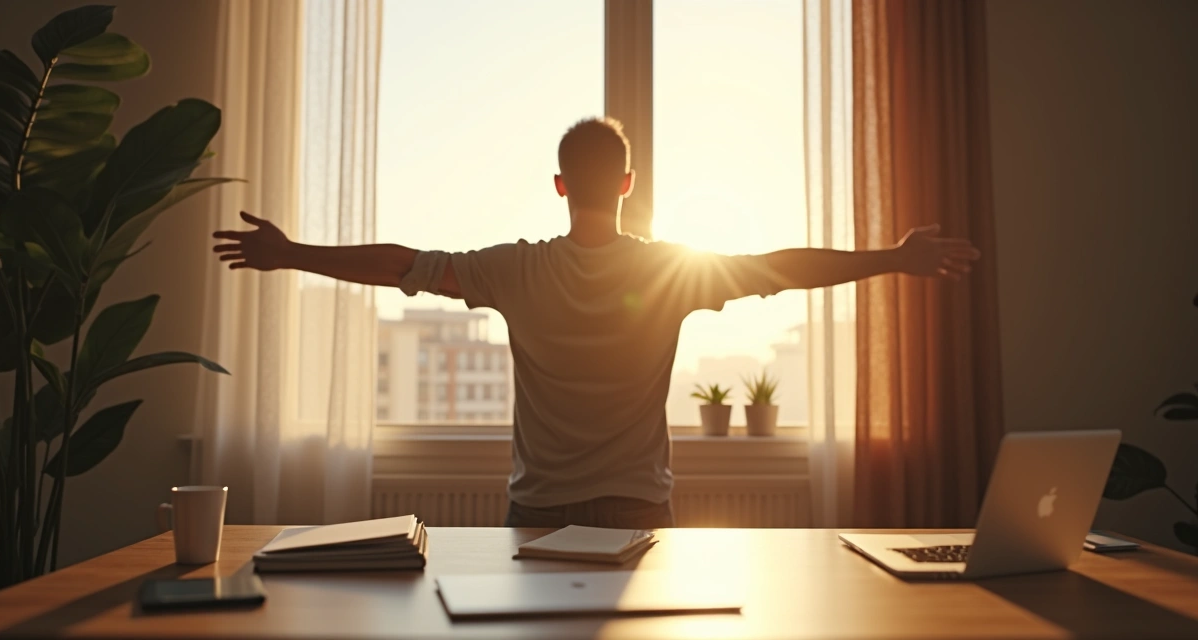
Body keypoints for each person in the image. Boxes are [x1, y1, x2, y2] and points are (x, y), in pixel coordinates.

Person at [212, 117, 979, 530]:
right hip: (638, 508)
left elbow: (403, 263)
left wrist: (292, 253)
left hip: (536, 510)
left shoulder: (511, 270)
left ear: (558, 185)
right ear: (627, 184)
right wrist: (892, 258)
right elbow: (781, 264)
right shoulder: (669, 271)